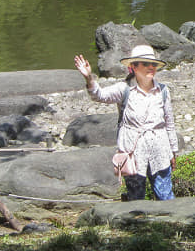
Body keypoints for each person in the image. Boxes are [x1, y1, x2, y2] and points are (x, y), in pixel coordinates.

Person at [74, 45, 178, 201]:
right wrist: (89, 78)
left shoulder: (163, 91)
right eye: (145, 64)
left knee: (166, 197)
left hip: (160, 152)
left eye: (154, 64)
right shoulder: (124, 89)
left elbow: (169, 123)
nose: (151, 67)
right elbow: (99, 95)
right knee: (135, 200)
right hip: (133, 154)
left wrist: (173, 151)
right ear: (134, 67)